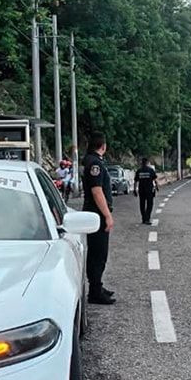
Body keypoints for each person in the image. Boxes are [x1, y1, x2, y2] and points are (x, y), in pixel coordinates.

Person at [81, 131, 115, 305]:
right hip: (97, 214)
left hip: (94, 213)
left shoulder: (91, 161)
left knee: (97, 252)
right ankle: (95, 291)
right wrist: (107, 215)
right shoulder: (95, 164)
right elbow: (97, 191)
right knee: (98, 253)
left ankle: (97, 286)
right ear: (103, 146)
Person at [133, 157, 158, 225]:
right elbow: (155, 180)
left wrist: (135, 190)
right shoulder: (151, 170)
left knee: (142, 205)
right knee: (150, 204)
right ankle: (147, 218)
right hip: (149, 190)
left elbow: (135, 181)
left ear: (142, 163)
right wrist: (157, 187)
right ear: (147, 163)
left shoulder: (139, 171)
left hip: (141, 190)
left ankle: (144, 219)